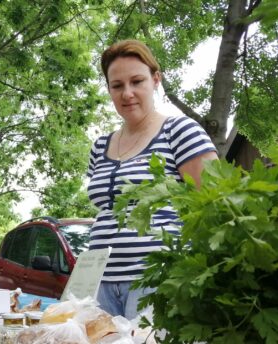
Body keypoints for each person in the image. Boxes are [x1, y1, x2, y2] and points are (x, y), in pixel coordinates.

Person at [86, 39, 218, 320]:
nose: (127, 93)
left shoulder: (179, 131)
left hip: (156, 281)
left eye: (137, 81)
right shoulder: (100, 145)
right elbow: (104, 213)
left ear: (155, 80)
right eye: (117, 85)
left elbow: (214, 205)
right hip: (99, 283)